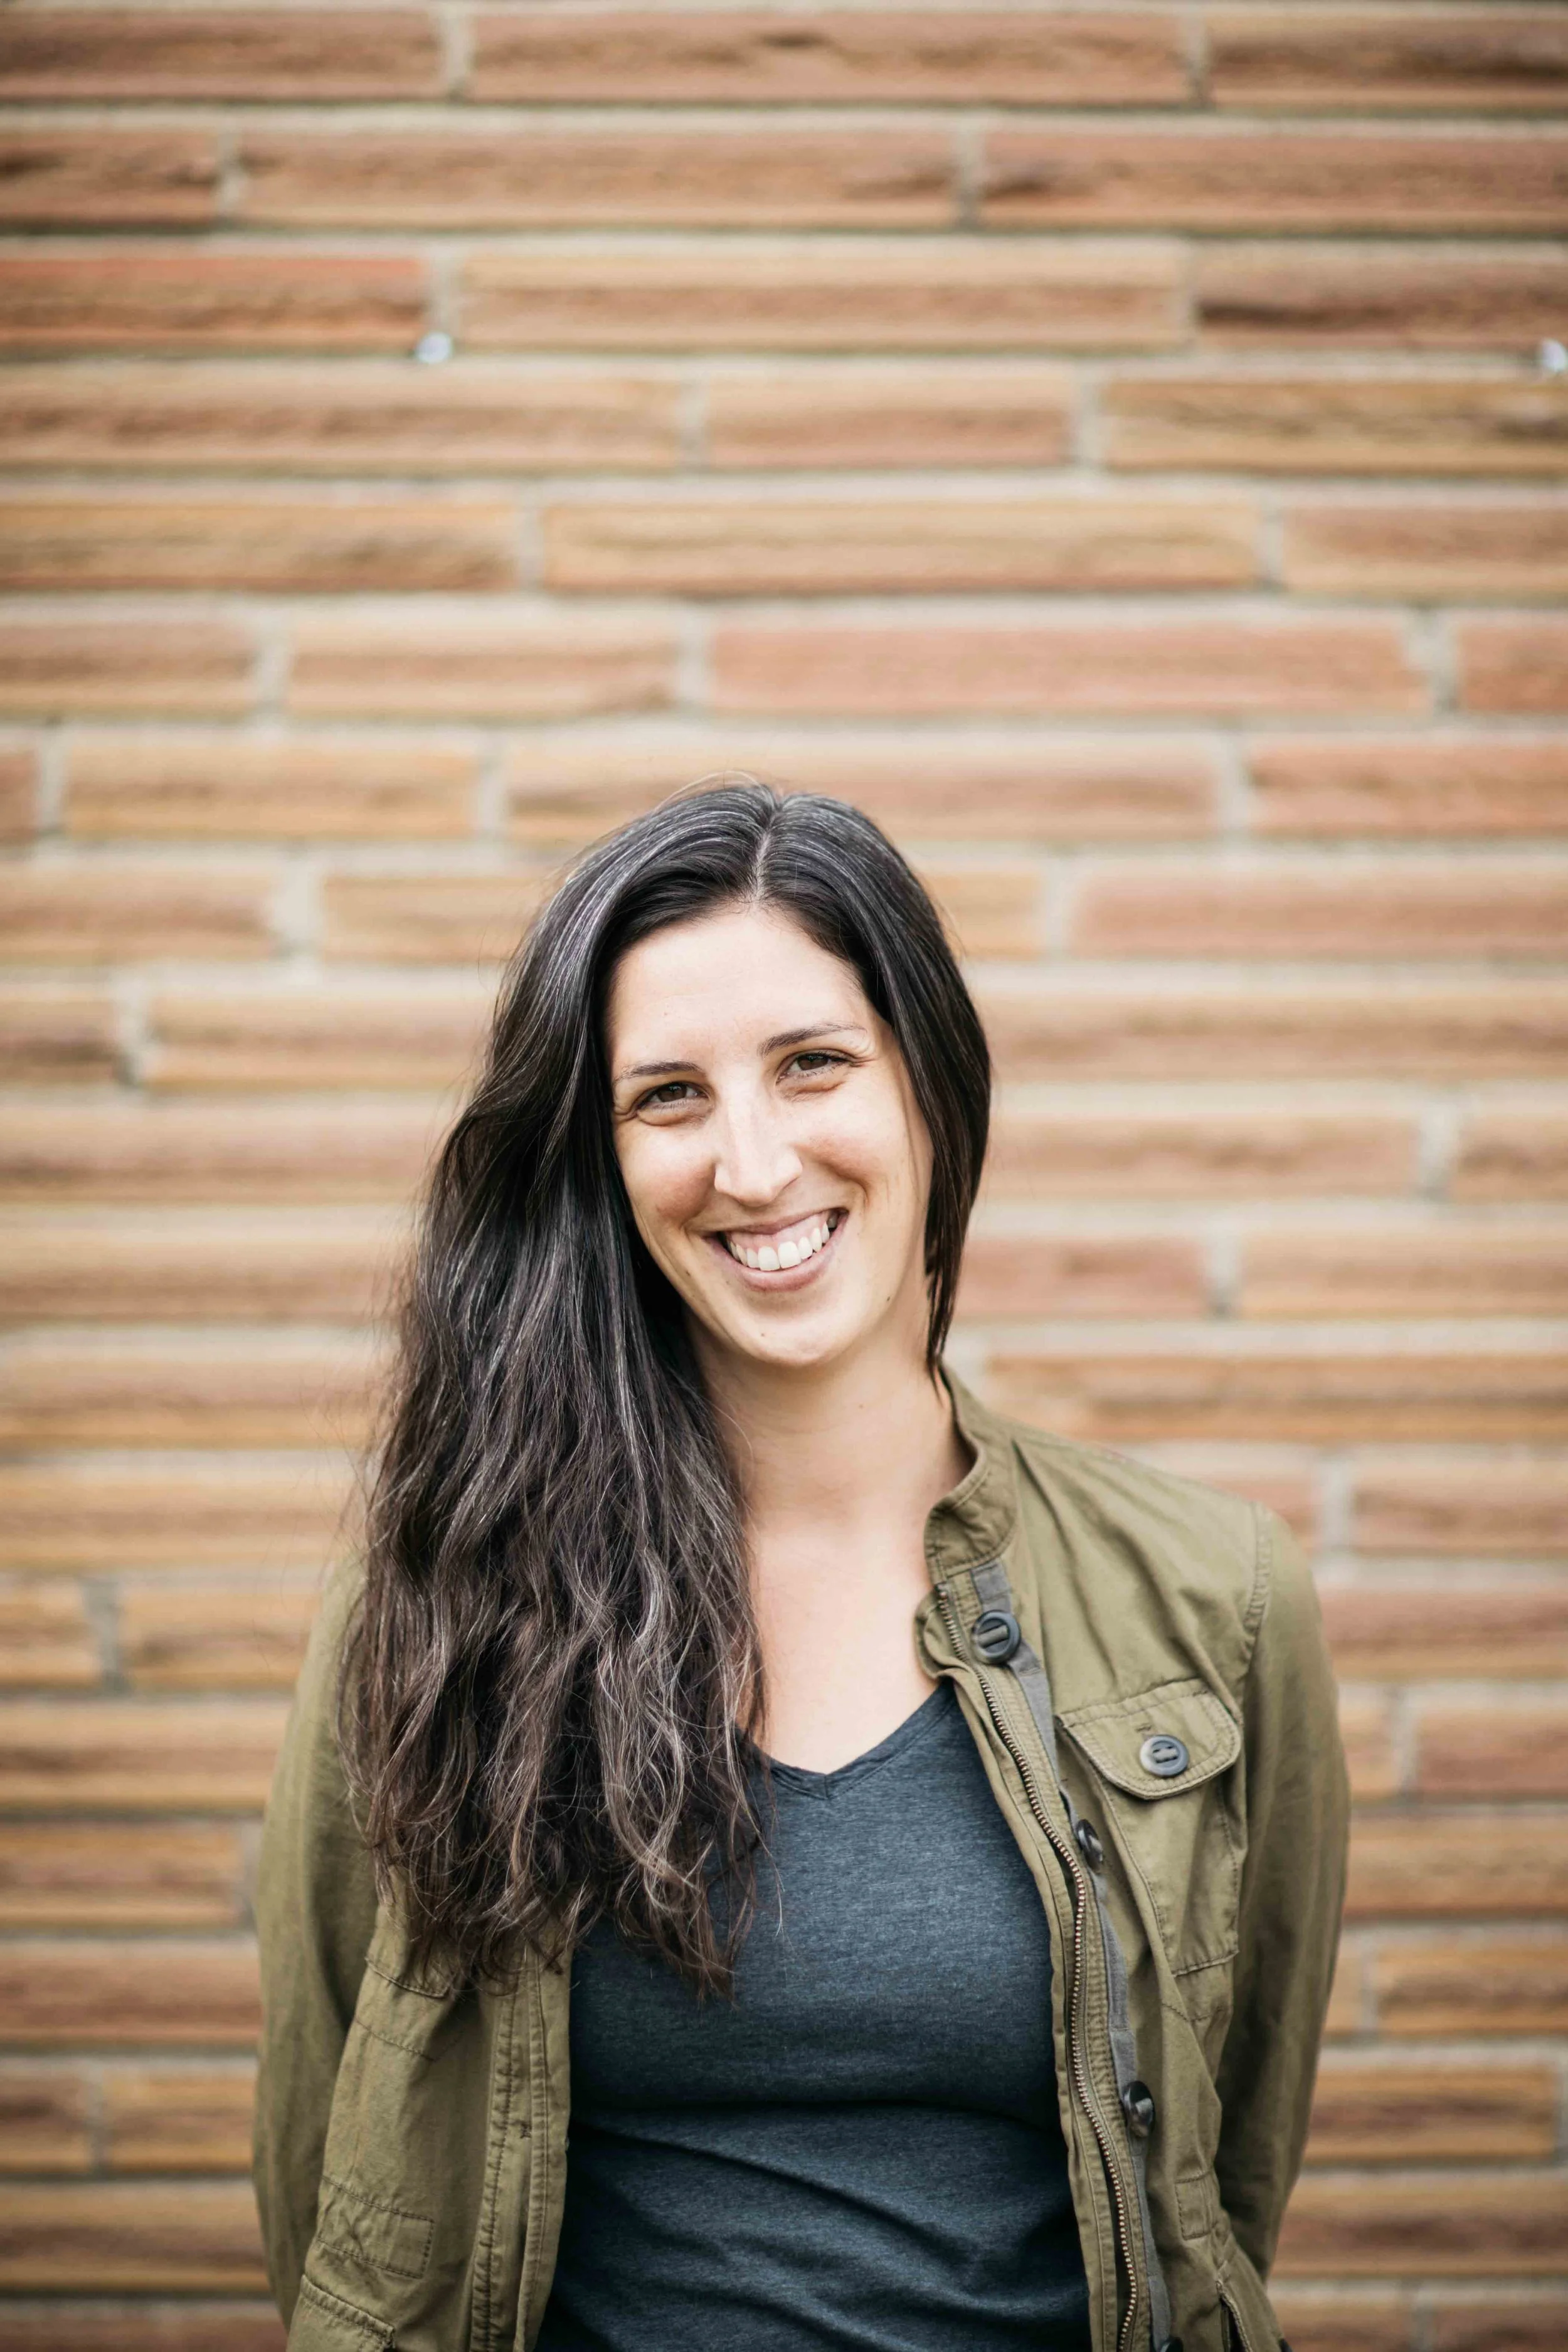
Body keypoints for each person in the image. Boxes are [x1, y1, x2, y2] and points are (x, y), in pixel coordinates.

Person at [253, 780, 1349, 2352]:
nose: (754, 1165)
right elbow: (336, 2176)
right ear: (600, 1162)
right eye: (667, 1097)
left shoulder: (1211, 1601)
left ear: (929, 1087)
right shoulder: (431, 1611)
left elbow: (1213, 2191)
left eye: (812, 1064)